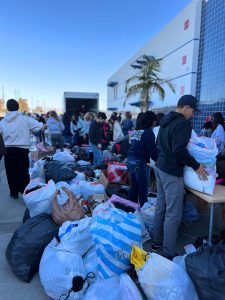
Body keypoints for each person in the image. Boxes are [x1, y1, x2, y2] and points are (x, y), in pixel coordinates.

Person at [152, 95, 208, 260]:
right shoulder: (183, 123)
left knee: (161, 206)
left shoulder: (165, 120)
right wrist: (196, 165)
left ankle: (156, 242)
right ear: (186, 108)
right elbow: (179, 150)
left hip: (160, 166)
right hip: (171, 171)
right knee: (173, 212)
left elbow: (159, 144)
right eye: (193, 111)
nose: (193, 115)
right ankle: (168, 252)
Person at [0, 99, 44, 199]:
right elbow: (39, 126)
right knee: (23, 172)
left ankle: (14, 192)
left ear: (7, 108)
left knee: (10, 172)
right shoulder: (25, 119)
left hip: (8, 150)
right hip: (22, 149)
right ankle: (24, 191)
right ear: (18, 107)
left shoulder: (2, 122)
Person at [127, 111, 158, 207]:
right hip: (139, 162)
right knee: (143, 190)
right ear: (152, 121)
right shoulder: (149, 133)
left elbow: (131, 145)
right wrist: (160, 161)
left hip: (130, 161)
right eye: (155, 121)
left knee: (134, 187)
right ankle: (144, 212)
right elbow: (152, 151)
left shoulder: (136, 131)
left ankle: (131, 210)